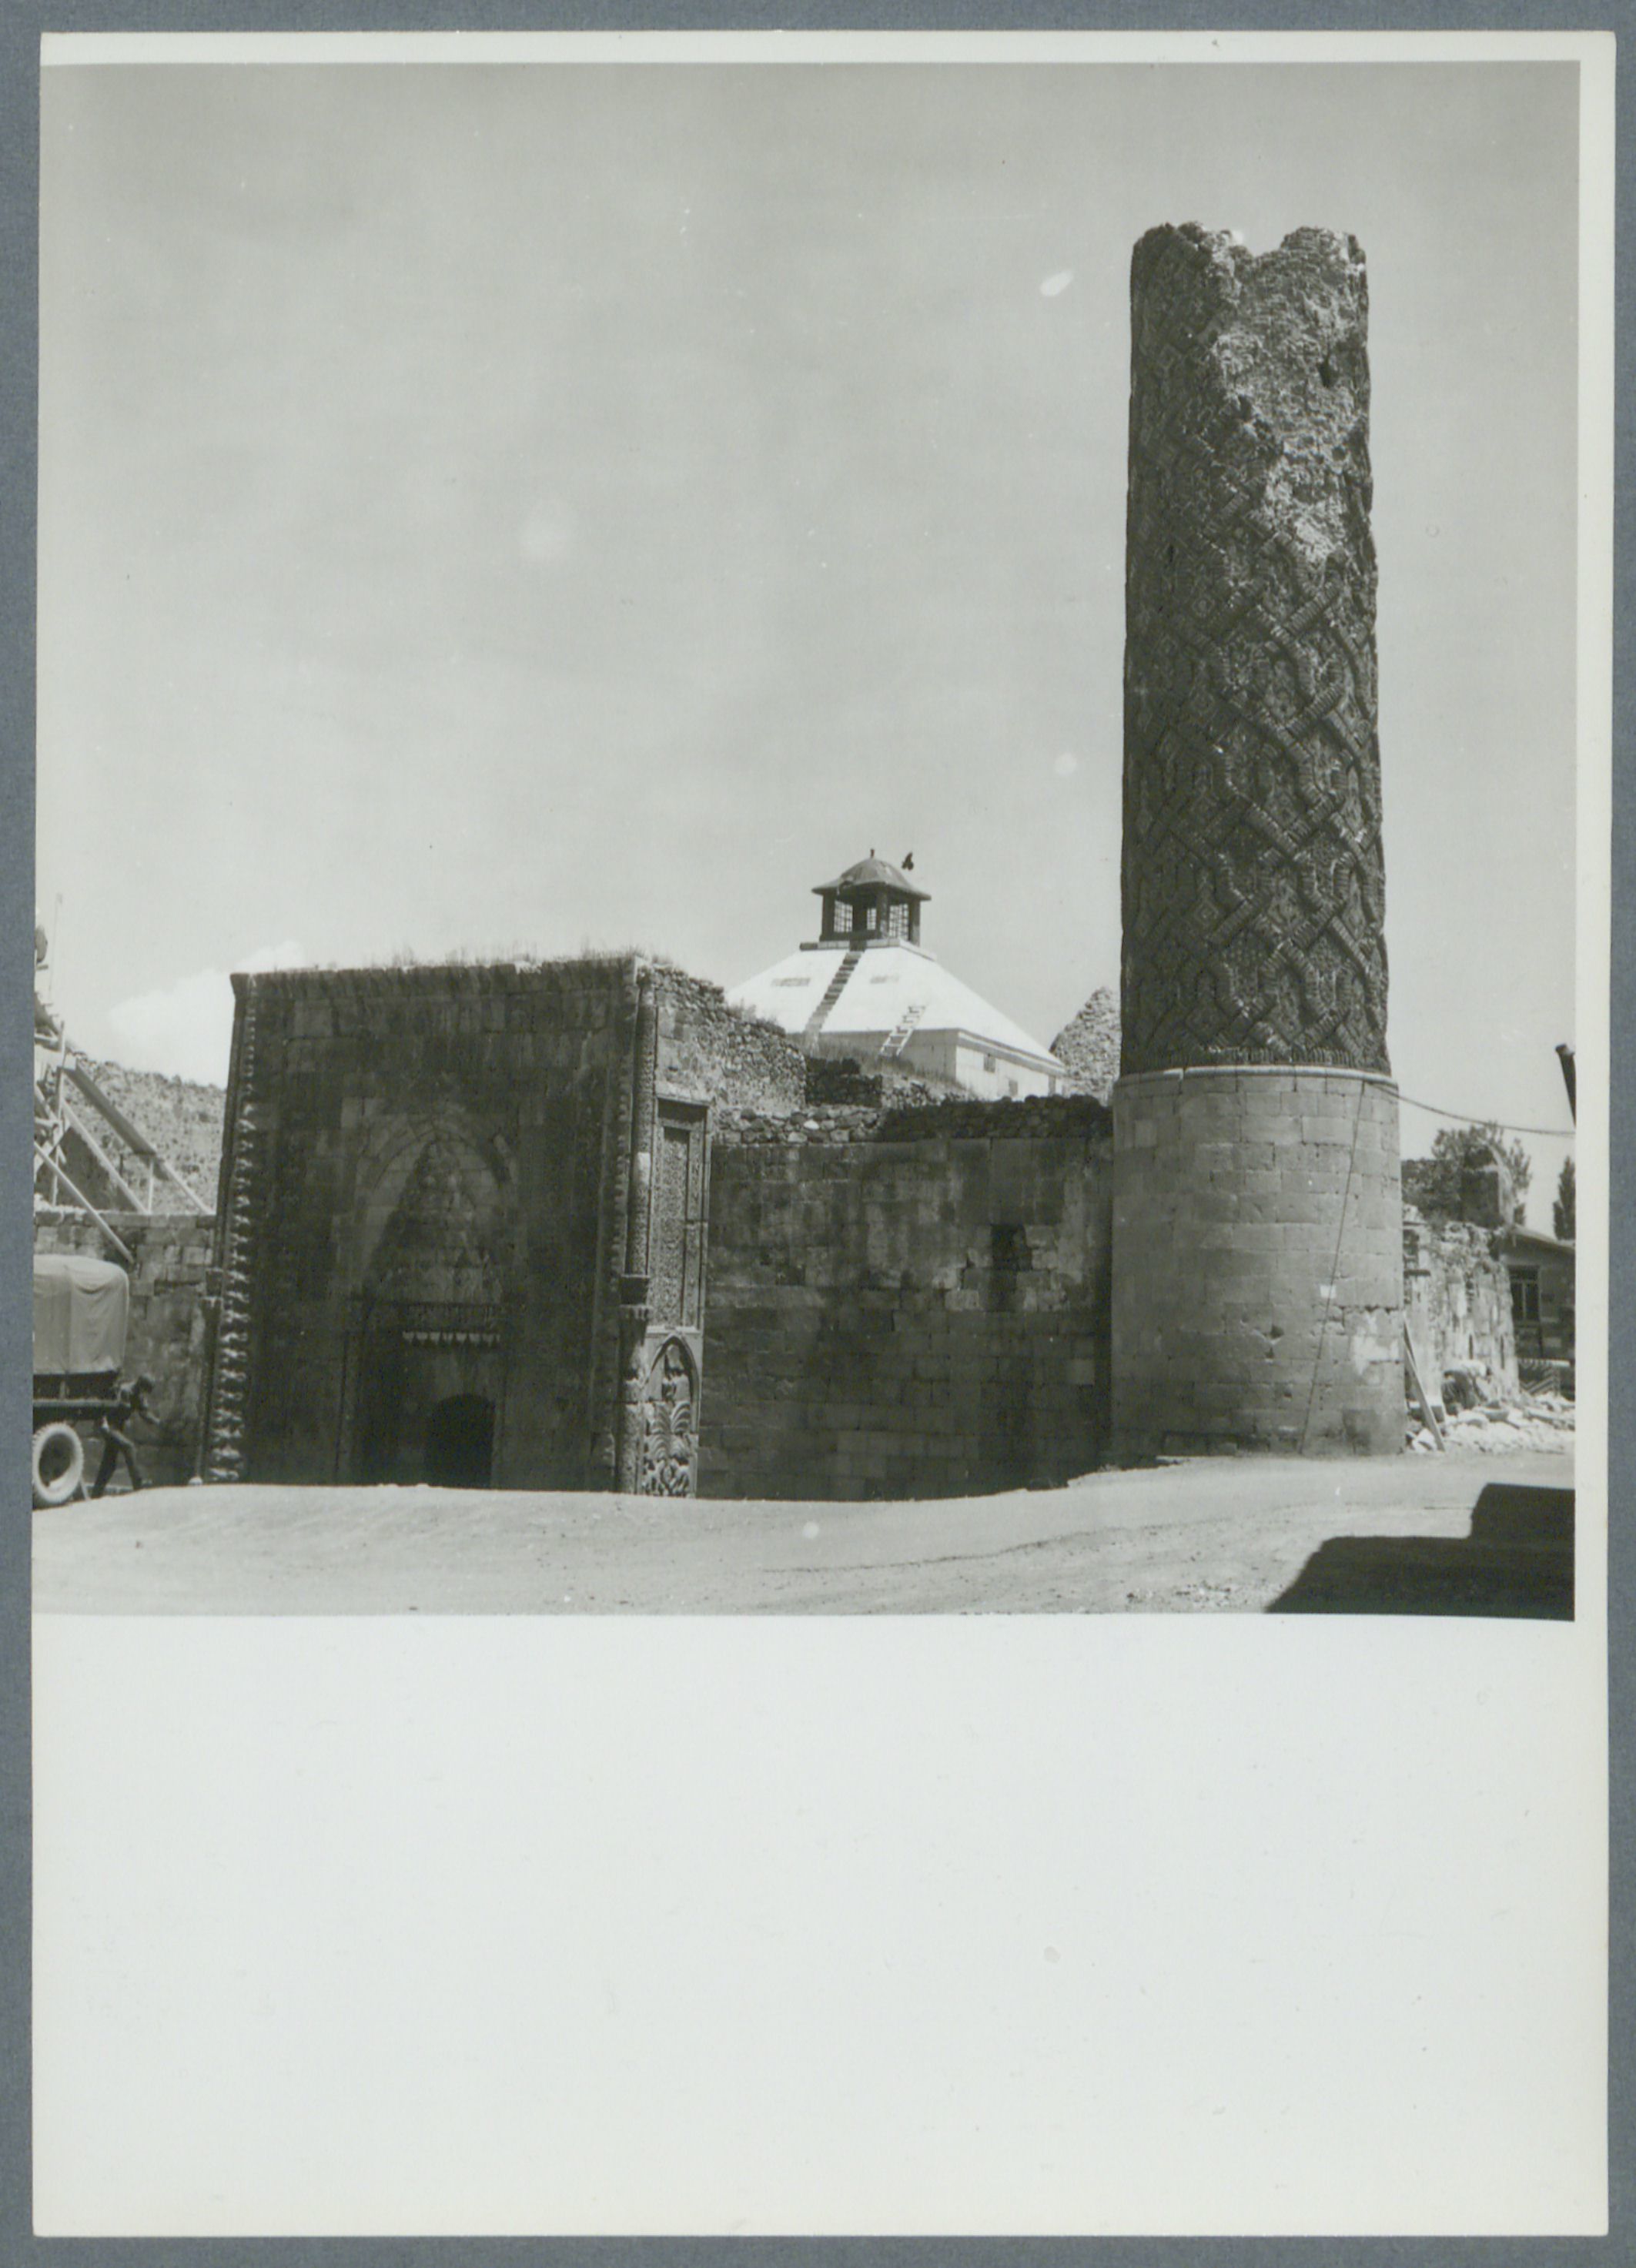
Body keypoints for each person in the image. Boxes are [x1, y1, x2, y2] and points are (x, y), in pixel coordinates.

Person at [91, 1373, 156, 1498]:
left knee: (109, 1463)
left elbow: (145, 1413)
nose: (145, 1395)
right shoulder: (124, 1390)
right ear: (141, 1386)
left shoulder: (138, 1395)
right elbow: (111, 1407)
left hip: (118, 1428)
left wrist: (158, 1422)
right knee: (129, 1447)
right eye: (145, 1391)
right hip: (107, 1425)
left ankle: (96, 1494)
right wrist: (103, 1423)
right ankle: (138, 1486)